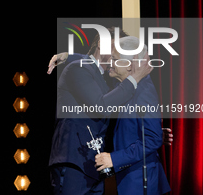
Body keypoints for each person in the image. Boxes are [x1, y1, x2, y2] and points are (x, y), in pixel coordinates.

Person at [48, 28, 153, 195]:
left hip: (96, 164)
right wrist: (134, 78)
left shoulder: (108, 78)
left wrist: (148, 131)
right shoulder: (78, 68)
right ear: (100, 44)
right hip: (73, 161)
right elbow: (100, 106)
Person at [94, 36, 171, 195]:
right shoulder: (124, 87)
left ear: (130, 66)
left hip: (139, 182)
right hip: (128, 179)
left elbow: (153, 138)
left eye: (115, 59)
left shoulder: (144, 92)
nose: (110, 63)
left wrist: (114, 159)